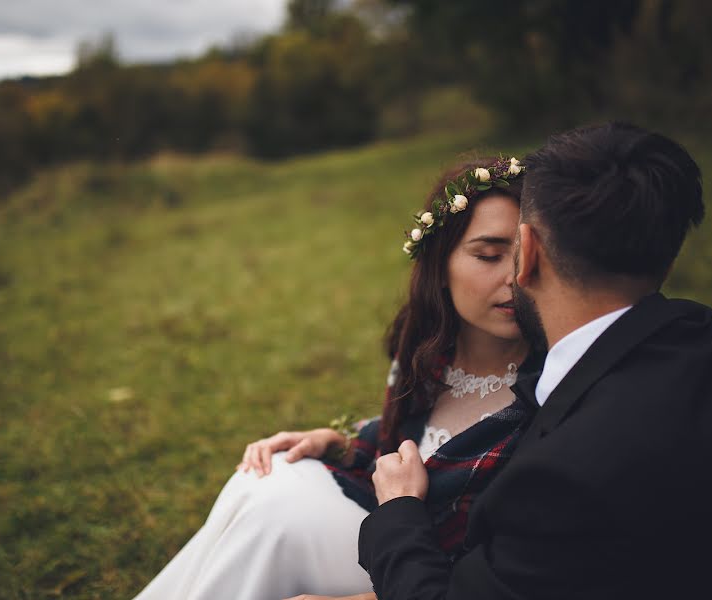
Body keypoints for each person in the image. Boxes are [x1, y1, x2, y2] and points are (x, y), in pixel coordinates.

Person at [356, 122, 712, 600]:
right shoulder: (695, 337)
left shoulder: (560, 482)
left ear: (525, 254)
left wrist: (400, 509)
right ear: (667, 262)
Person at [131, 156, 545, 600]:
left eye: (528, 254)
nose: (514, 277)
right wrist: (340, 440)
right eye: (488, 255)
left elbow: (512, 571)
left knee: (275, 521)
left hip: (424, 571)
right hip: (391, 534)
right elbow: (408, 439)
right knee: (263, 480)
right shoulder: (430, 352)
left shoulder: (546, 389)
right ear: (440, 264)